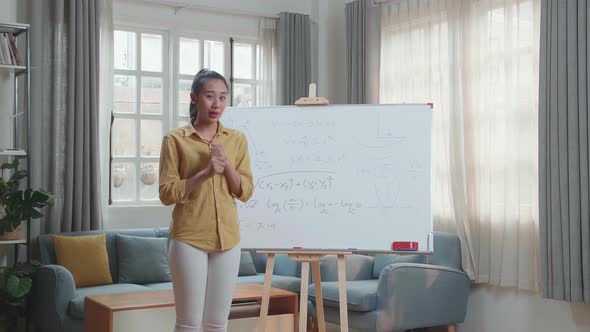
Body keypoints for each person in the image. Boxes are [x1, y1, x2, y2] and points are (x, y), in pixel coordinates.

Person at [159, 68, 254, 332]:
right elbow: (167, 193)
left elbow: (245, 191)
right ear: (194, 97)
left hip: (228, 239)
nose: (217, 104)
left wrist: (227, 166)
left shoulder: (236, 139)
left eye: (223, 98)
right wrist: (206, 172)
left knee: (217, 324)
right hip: (189, 238)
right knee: (189, 324)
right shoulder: (175, 140)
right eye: (210, 97)